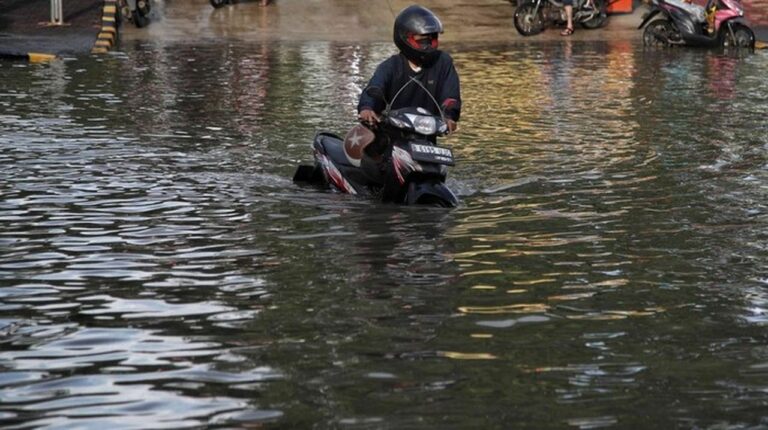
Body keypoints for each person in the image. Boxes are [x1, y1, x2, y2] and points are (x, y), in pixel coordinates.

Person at [349, 4, 462, 183]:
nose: (428, 43)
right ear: (405, 38)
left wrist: (449, 116)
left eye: (432, 38)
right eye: (422, 39)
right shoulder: (390, 66)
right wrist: (367, 108)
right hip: (392, 138)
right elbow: (374, 88)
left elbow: (451, 96)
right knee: (376, 176)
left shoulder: (443, 62)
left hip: (426, 140)